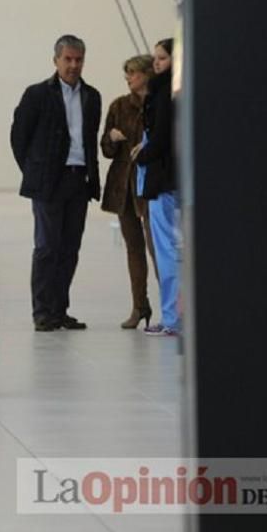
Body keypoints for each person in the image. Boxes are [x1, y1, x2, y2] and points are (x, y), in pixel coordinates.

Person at [10, 34, 102, 331]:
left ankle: (60, 310)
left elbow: (89, 138)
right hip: (50, 181)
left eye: (78, 60)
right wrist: (35, 170)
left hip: (79, 179)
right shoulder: (37, 94)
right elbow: (19, 138)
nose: (73, 65)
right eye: (68, 59)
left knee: (70, 247)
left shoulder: (92, 96)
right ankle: (42, 312)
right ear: (56, 61)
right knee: (47, 246)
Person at [101, 54, 158, 329]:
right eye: (127, 73)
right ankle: (139, 306)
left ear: (147, 74)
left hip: (149, 186)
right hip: (123, 186)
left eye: (133, 73)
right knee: (133, 248)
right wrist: (111, 139)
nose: (128, 78)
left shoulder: (158, 105)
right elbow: (106, 149)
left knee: (157, 248)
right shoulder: (119, 106)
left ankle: (174, 307)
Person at [131, 38, 181, 336]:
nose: (156, 64)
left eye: (162, 58)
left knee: (167, 252)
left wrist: (142, 154)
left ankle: (173, 318)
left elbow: (161, 139)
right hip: (180, 182)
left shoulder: (163, 94)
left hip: (163, 184)